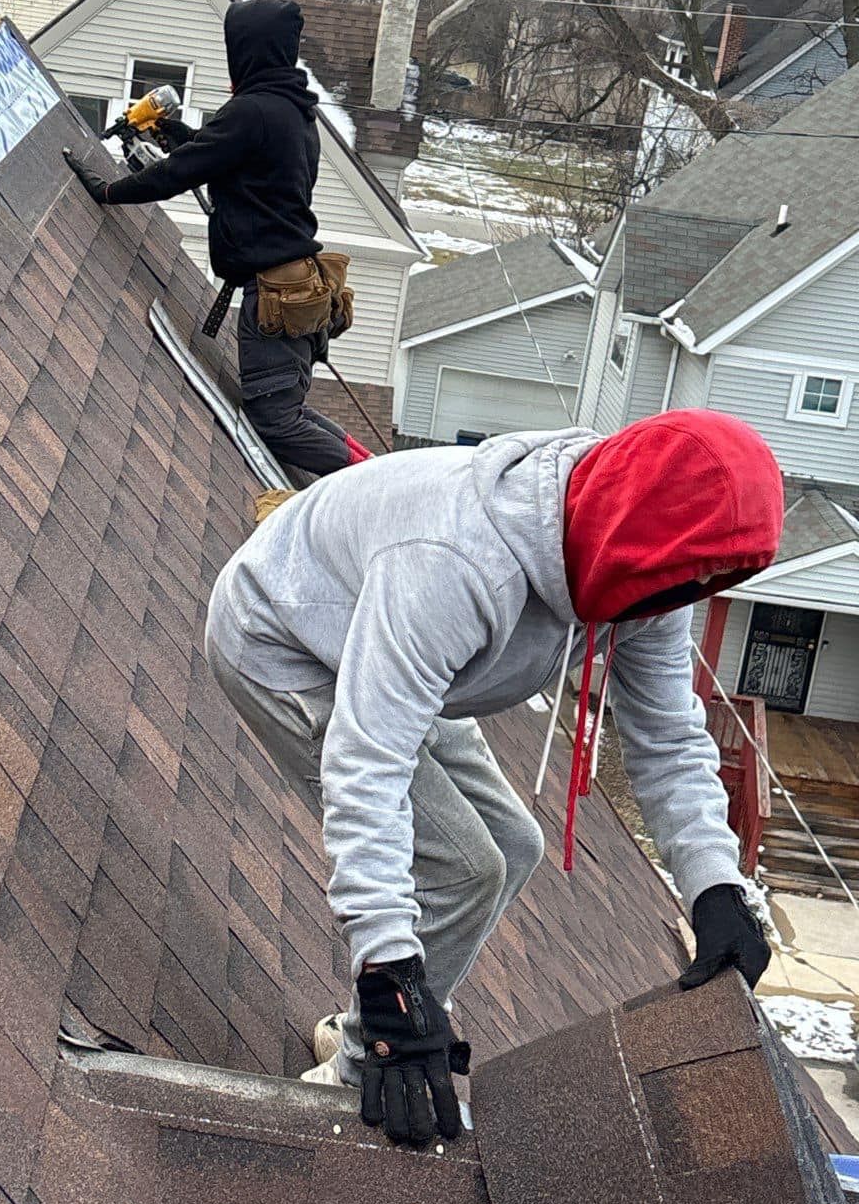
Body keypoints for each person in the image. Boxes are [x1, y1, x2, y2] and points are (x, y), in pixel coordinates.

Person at [204, 409, 785, 1147]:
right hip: (283, 641)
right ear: (641, 529)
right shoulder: (460, 559)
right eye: (692, 569)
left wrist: (715, 888)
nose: (693, 588)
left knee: (512, 846)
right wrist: (389, 972)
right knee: (462, 868)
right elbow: (368, 762)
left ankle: (366, 1035)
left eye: (713, 575)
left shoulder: (655, 578)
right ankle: (356, 1077)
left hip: (383, 649)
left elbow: (668, 737)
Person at [62, 0, 367, 477]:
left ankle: (369, 482)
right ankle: (372, 466)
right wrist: (180, 135)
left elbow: (179, 174)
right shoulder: (291, 111)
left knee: (278, 425)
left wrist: (107, 190)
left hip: (275, 298)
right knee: (293, 414)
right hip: (298, 288)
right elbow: (229, 163)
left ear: (249, 52)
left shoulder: (254, 111)